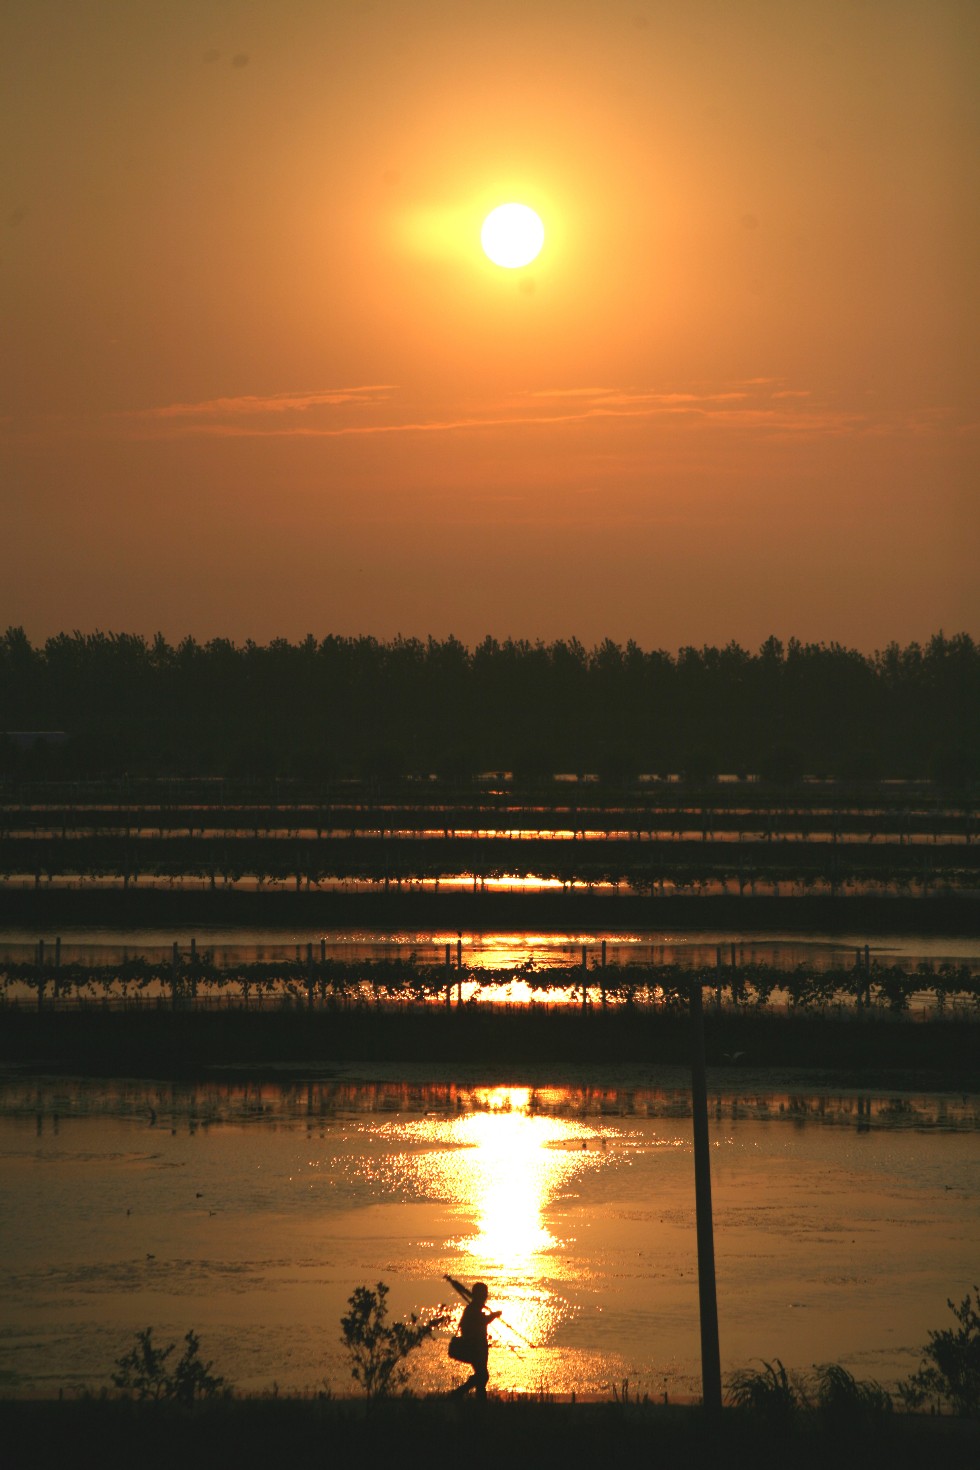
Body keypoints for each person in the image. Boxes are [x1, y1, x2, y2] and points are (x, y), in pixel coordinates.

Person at [450, 1282, 501, 1398]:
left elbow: (480, 1321)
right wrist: (494, 1316)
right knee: (482, 1376)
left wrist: (492, 1316)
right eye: (484, 1294)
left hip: (480, 1347)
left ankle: (477, 1402)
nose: (486, 1297)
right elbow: (480, 1322)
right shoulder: (472, 1309)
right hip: (474, 1348)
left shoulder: (475, 1308)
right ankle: (458, 1394)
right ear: (479, 1295)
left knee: (481, 1377)